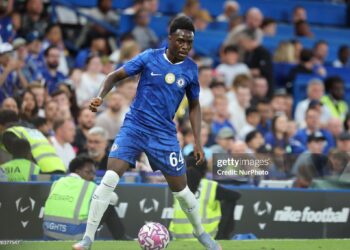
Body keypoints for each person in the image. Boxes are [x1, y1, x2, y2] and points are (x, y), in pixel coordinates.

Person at [73, 16, 221, 250]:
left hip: (163, 134)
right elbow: (114, 76)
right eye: (180, 40)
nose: (184, 46)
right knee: (110, 178)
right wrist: (100, 97)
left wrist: (198, 142)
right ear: (170, 38)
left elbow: (194, 106)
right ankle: (87, 238)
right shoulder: (149, 57)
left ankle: (201, 234)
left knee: (182, 192)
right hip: (135, 127)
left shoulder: (191, 69)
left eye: (189, 43)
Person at [43, 155, 126, 240]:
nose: (92, 176)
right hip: (75, 236)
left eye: (93, 173)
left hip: (49, 233)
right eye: (88, 172)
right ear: (77, 171)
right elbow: (114, 198)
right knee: (106, 204)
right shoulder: (89, 186)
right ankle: (122, 239)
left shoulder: (56, 183)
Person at [169, 153, 241, 240]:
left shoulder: (178, 185)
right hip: (206, 237)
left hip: (178, 236)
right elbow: (236, 195)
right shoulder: (210, 186)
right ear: (204, 169)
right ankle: (222, 237)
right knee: (230, 200)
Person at [0, 109, 66, 174]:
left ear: (1, 126)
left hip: (43, 171)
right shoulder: (34, 131)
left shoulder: (10, 132)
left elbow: (20, 156)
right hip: (60, 168)